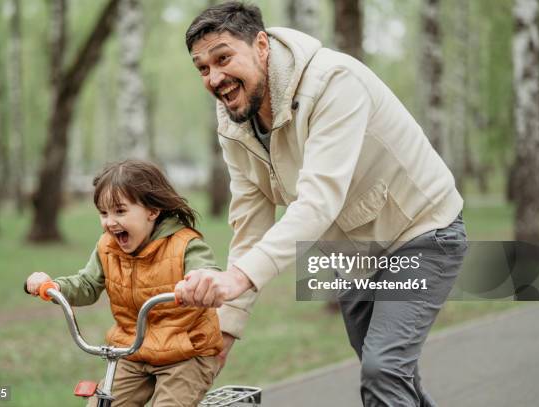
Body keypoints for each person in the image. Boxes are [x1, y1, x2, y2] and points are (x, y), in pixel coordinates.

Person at [175, 2, 467, 406]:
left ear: (260, 44)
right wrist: (225, 332)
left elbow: (319, 201)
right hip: (351, 252)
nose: (215, 78)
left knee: (383, 369)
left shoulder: (333, 81)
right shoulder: (234, 122)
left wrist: (239, 278)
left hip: (421, 232)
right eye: (203, 68)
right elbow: (249, 223)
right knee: (390, 377)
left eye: (223, 58)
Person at [26, 160, 223, 407]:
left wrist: (200, 282)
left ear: (152, 211)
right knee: (101, 405)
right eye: (103, 213)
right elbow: (87, 284)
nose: (110, 222)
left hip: (187, 352)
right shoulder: (107, 247)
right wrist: (54, 286)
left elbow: (207, 272)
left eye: (120, 211)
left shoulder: (185, 244)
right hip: (133, 351)